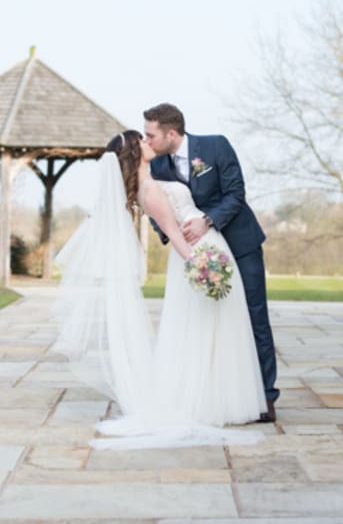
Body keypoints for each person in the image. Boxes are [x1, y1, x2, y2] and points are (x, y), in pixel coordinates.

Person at [52, 130, 267, 449]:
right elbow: (173, 232)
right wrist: (201, 266)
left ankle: (217, 398)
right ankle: (209, 403)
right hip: (197, 253)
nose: (148, 142)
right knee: (207, 328)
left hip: (204, 246)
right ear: (135, 153)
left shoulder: (152, 180)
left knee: (215, 327)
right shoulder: (149, 189)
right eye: (142, 140)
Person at [143, 103, 279, 422]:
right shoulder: (157, 166)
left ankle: (266, 396)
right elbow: (157, 209)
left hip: (240, 244)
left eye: (151, 135)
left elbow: (235, 193)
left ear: (171, 133)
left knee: (254, 314)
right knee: (208, 321)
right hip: (197, 253)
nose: (146, 140)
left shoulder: (216, 145)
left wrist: (208, 220)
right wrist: (174, 237)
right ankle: (219, 393)